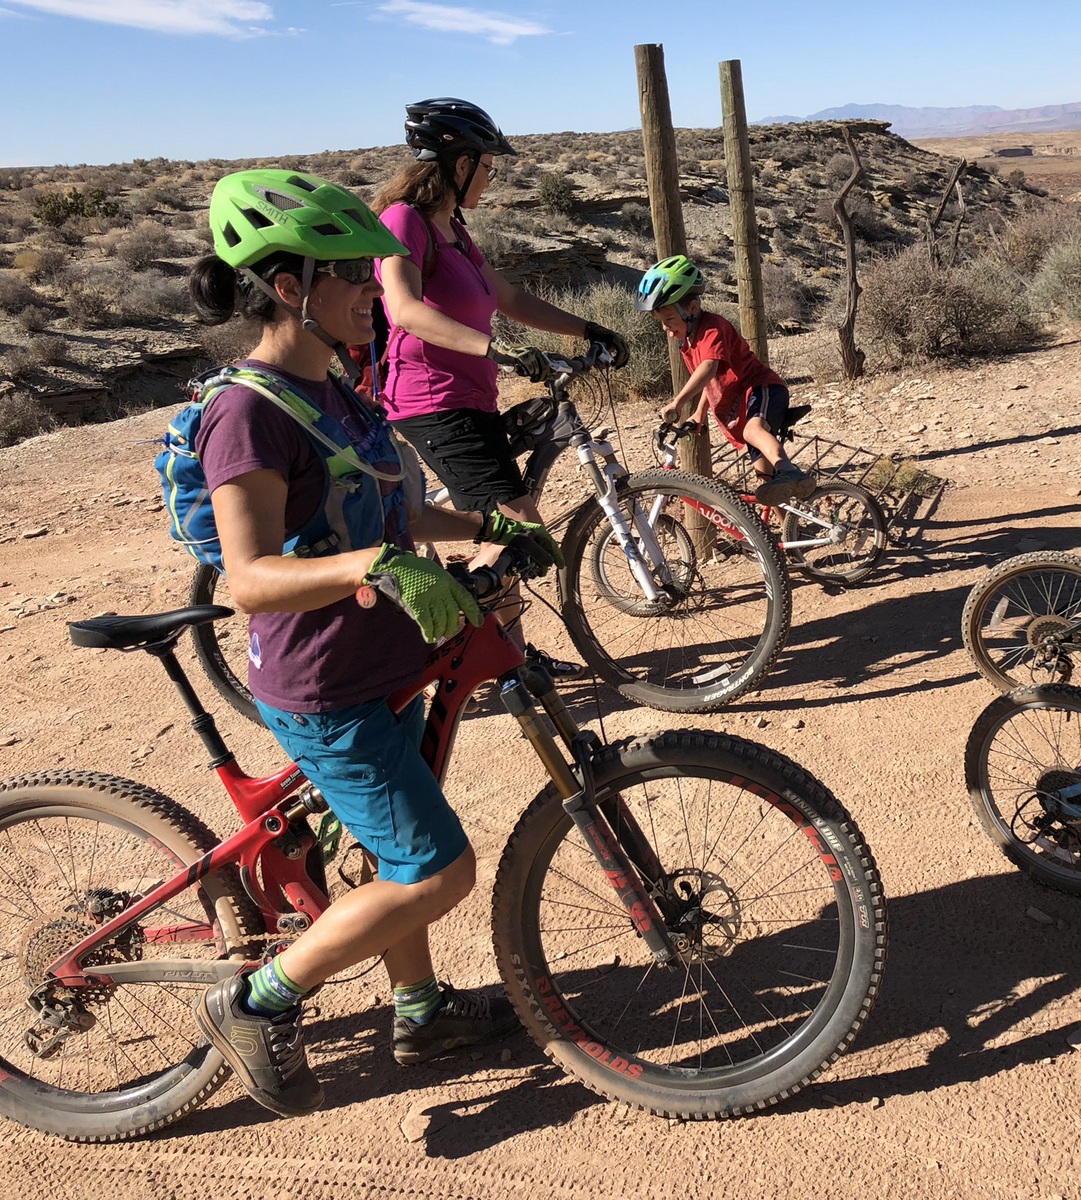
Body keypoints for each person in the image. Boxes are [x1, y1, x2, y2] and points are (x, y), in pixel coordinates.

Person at [185, 169, 563, 1117]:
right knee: (439, 869)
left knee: (399, 853)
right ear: (287, 287)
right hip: (324, 685)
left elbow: (391, 509)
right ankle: (257, 1003)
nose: (375, 286)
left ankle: (421, 1012)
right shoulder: (250, 413)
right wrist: (380, 570)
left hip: (383, 662)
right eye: (353, 270)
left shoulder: (342, 390)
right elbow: (249, 575)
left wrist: (483, 527)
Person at [372, 97, 630, 675]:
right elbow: (406, 309)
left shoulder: (455, 231)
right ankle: (468, 641)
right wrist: (500, 350)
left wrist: (587, 327)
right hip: (431, 401)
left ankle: (508, 654)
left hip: (469, 398)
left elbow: (508, 299)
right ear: (458, 163)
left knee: (511, 524)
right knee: (516, 526)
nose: (492, 176)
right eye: (487, 165)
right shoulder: (403, 223)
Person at [641, 255, 815, 504]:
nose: (665, 328)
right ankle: (778, 536)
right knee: (764, 482)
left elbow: (709, 367)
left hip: (762, 388)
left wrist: (678, 403)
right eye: (661, 322)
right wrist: (700, 414)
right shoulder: (687, 343)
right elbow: (708, 383)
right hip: (745, 401)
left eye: (669, 319)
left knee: (753, 430)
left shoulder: (712, 327)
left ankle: (789, 470)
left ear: (691, 308)